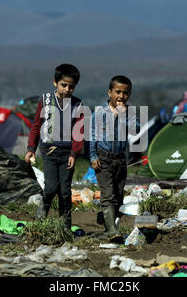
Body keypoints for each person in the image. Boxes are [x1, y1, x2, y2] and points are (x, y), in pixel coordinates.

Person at [24, 64, 84, 231]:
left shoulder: (78, 105)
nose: (67, 89)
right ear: (55, 83)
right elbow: (37, 125)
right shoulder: (46, 100)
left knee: (65, 191)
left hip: (67, 153)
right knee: (51, 187)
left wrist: (74, 153)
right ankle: (43, 210)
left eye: (71, 87)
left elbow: (79, 132)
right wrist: (31, 148)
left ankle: (64, 226)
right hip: (49, 151)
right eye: (64, 85)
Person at [89, 75, 139, 242]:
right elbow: (92, 135)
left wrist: (124, 116)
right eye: (118, 92)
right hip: (104, 158)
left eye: (125, 93)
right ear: (109, 92)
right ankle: (112, 230)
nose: (121, 96)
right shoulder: (100, 113)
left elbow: (135, 130)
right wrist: (92, 155)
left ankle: (109, 224)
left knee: (118, 195)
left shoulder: (129, 112)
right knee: (108, 194)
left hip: (120, 159)